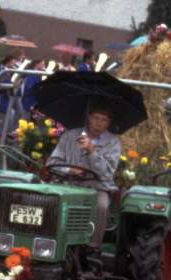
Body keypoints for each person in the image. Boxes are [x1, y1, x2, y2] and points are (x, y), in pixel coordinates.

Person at [48, 101, 123, 238]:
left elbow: (107, 174)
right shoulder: (70, 136)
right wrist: (69, 170)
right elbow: (52, 163)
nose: (99, 123)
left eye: (104, 120)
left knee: (101, 206)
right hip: (66, 184)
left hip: (96, 188)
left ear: (109, 123)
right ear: (89, 117)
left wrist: (92, 151)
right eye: (96, 118)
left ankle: (93, 245)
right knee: (49, 200)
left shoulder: (113, 143)